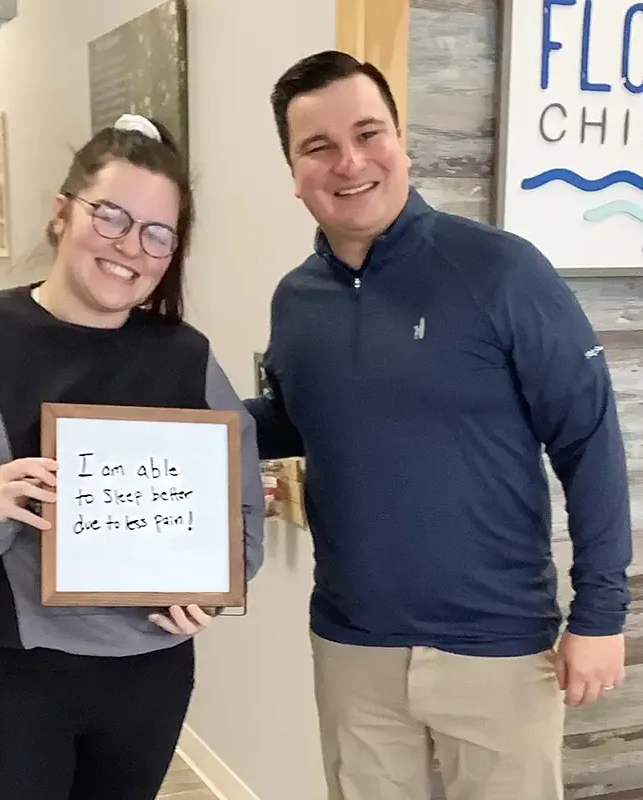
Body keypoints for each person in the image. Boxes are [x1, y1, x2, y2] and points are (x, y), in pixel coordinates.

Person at [244, 50, 631, 800]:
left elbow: (588, 440)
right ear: (293, 172)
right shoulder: (296, 301)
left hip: (498, 648)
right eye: (318, 146)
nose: (349, 162)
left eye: (368, 133)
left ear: (401, 140)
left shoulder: (501, 271)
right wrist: (173, 419)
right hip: (354, 648)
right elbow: (296, 424)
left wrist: (600, 614)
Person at [0, 114, 265, 800]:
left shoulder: (184, 357)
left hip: (146, 673)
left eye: (157, 233)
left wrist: (213, 584)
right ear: (61, 212)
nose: (130, 246)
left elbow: (237, 502)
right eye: (111, 216)